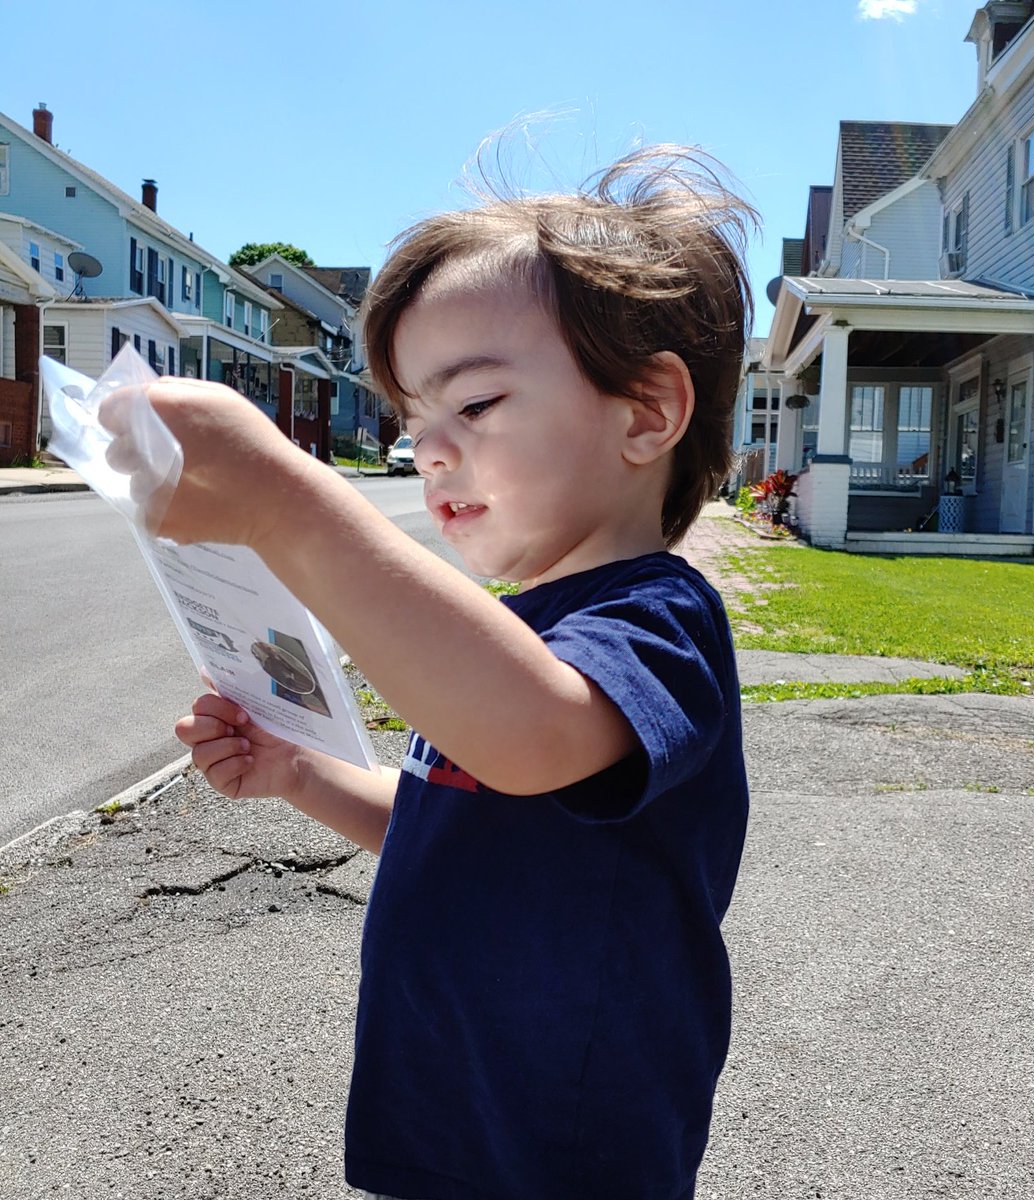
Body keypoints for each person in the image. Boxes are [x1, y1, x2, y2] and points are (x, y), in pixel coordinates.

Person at [104, 144, 754, 1200]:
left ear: (646, 412)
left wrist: (283, 500)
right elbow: (462, 822)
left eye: (477, 407)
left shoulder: (658, 620)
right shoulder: (508, 637)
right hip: (452, 1120)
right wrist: (299, 774)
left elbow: (531, 739)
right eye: (414, 421)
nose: (433, 451)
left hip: (569, 1149)